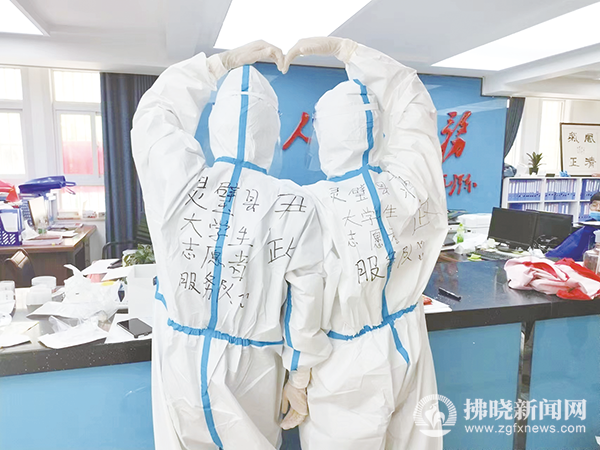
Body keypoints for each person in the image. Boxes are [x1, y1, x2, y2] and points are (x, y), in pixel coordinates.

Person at [131, 41, 331, 450]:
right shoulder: (294, 204)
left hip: (179, 361)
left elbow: (153, 114)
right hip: (253, 372)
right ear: (273, 132)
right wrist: (298, 377)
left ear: (215, 122)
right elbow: (307, 300)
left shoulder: (179, 179)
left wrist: (216, 66)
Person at [279, 38, 448, 449]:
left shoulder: (313, 205)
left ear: (326, 135)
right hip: (409, 342)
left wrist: (297, 377)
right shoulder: (410, 181)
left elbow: (307, 303)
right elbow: (412, 103)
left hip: (345, 366)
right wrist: (351, 52)